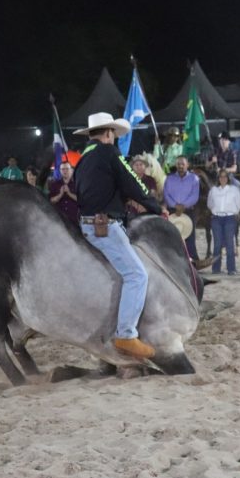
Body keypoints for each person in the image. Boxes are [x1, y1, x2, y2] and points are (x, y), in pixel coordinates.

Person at [73, 112, 167, 360]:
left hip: (86, 223)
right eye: (113, 134)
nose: (114, 139)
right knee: (136, 275)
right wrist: (155, 206)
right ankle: (126, 334)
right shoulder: (109, 153)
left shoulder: (83, 159)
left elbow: (84, 190)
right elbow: (132, 181)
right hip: (105, 225)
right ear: (108, 133)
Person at [163, 156, 201, 261]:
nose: (180, 166)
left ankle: (193, 262)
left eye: (183, 164)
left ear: (187, 165)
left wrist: (183, 206)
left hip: (188, 211)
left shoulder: (194, 179)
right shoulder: (169, 179)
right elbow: (166, 194)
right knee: (172, 237)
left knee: (189, 237)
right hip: (172, 211)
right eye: (179, 164)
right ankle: (172, 260)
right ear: (176, 165)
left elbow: (195, 196)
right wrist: (175, 205)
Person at [207, 168, 240, 275]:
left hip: (229, 218)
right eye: (221, 176)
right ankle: (216, 268)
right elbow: (210, 204)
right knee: (217, 244)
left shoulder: (234, 190)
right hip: (216, 218)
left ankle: (231, 269)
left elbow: (239, 204)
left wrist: (232, 212)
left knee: (229, 244)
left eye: (225, 176)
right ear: (218, 178)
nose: (223, 178)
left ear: (228, 178)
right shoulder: (213, 190)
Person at [125, 155, 159, 222]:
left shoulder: (150, 180)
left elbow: (153, 195)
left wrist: (146, 206)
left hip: (148, 209)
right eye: (136, 165)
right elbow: (125, 197)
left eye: (141, 164)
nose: (139, 167)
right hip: (132, 210)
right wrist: (137, 205)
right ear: (132, 167)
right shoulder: (128, 180)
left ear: (145, 166)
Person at [48, 159, 80, 228]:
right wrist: (60, 195)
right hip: (59, 220)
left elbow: (81, 200)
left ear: (71, 170)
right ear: (60, 171)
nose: (65, 171)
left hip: (74, 220)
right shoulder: (54, 185)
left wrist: (69, 193)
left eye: (67, 169)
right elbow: (51, 201)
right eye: (62, 169)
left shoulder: (77, 184)